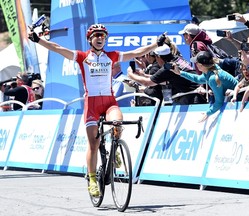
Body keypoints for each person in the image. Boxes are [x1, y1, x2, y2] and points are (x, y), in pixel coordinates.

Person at [28, 23, 160, 197]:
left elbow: (136, 53)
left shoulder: (111, 56)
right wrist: (38, 40)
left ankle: (114, 151)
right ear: (90, 39)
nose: (100, 38)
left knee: (117, 124)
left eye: (102, 36)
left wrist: (156, 44)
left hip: (109, 101)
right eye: (96, 35)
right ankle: (91, 179)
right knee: (93, 143)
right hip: (92, 104)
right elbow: (58, 48)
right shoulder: (83, 56)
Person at [172, 51, 238, 122]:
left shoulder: (213, 78)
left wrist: (207, 114)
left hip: (238, 98)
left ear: (200, 65)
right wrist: (180, 73)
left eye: (196, 62)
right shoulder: (212, 69)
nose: (195, 64)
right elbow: (197, 79)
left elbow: (219, 102)